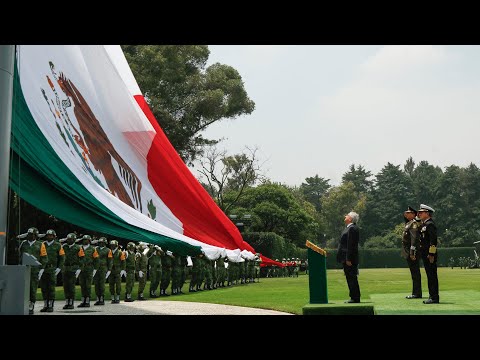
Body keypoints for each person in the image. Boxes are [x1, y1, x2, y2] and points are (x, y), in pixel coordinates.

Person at [18, 227, 48, 314]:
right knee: (22, 288)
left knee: (32, 288)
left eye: (32, 234)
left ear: (36, 235)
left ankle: (31, 305)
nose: (30, 236)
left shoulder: (40, 244)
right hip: (24, 269)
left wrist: (42, 269)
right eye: (29, 234)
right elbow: (19, 255)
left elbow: (44, 258)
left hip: (35, 270)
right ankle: (23, 305)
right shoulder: (23, 243)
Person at [336, 211, 361, 303]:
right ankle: (353, 296)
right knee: (349, 277)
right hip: (346, 258)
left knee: (352, 277)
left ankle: (355, 297)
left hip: (349, 259)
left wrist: (348, 258)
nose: (345, 216)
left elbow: (351, 245)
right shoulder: (348, 228)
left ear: (350, 218)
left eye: (347, 215)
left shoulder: (352, 228)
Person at [417, 204, 439, 304]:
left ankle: (434, 297)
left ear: (427, 213)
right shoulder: (424, 224)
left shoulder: (430, 224)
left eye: (421, 213)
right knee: (429, 275)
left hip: (429, 255)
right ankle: (432, 295)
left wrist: (431, 254)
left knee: (432, 276)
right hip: (425, 254)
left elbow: (433, 241)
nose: (419, 214)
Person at [40, 229, 64, 312]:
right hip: (43, 269)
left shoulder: (58, 245)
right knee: (44, 287)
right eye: (48, 235)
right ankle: (45, 304)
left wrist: (59, 267)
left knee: (51, 287)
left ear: (54, 236)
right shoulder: (42, 244)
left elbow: (62, 257)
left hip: (52, 269)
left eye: (51, 235)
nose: (49, 236)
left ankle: (51, 305)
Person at [402, 206, 422, 299]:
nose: (406, 214)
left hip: (412, 251)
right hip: (407, 251)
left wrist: (412, 252)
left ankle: (417, 293)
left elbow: (414, 239)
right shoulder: (409, 223)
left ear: (413, 214)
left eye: (409, 213)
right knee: (414, 273)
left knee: (415, 273)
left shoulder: (413, 224)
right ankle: (416, 292)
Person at [61, 233, 85, 309]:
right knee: (65, 286)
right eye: (68, 239)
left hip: (74, 268)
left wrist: (79, 268)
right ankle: (67, 301)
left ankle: (71, 302)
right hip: (65, 268)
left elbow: (82, 258)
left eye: (71, 239)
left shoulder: (78, 247)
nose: (69, 240)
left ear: (74, 240)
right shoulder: (64, 247)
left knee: (71, 286)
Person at [77, 235, 99, 307]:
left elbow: (96, 260)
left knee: (88, 285)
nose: (84, 241)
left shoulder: (93, 249)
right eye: (84, 240)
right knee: (82, 285)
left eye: (86, 240)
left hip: (89, 268)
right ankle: (83, 300)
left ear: (89, 241)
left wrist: (95, 269)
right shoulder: (79, 248)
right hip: (81, 269)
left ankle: (87, 301)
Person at [93, 237, 112, 305]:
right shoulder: (95, 249)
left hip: (103, 268)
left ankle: (101, 298)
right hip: (96, 268)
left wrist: (109, 269)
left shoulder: (108, 250)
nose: (101, 244)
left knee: (101, 284)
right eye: (100, 242)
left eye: (102, 243)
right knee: (96, 284)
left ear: (105, 243)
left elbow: (110, 261)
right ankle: (97, 298)